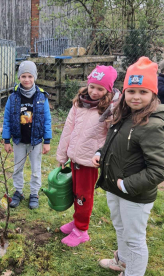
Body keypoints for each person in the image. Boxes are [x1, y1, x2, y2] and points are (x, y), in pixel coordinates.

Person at [92, 57, 164, 276]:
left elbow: (158, 169)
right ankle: (122, 261)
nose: (136, 97)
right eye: (131, 91)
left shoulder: (153, 125)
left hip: (134, 194)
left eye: (143, 92)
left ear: (153, 94)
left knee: (134, 239)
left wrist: (128, 185)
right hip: (115, 186)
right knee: (120, 228)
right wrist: (100, 153)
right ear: (124, 93)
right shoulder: (123, 115)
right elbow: (112, 143)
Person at [57, 65, 119, 247]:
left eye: (100, 89)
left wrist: (101, 156)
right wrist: (62, 155)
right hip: (75, 158)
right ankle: (77, 222)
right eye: (92, 86)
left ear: (108, 89)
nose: (94, 92)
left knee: (84, 196)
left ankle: (82, 230)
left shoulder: (109, 109)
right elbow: (68, 129)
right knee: (76, 193)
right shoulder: (79, 103)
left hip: (90, 161)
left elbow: (111, 138)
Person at [2, 61, 52, 209]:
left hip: (35, 141)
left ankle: (34, 193)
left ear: (34, 77)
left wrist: (47, 140)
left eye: (30, 76)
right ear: (19, 77)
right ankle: (18, 191)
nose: (27, 79)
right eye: (23, 76)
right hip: (18, 140)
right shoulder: (13, 97)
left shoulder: (42, 97)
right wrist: (6, 140)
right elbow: (7, 119)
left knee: (36, 168)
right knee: (17, 167)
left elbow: (47, 120)